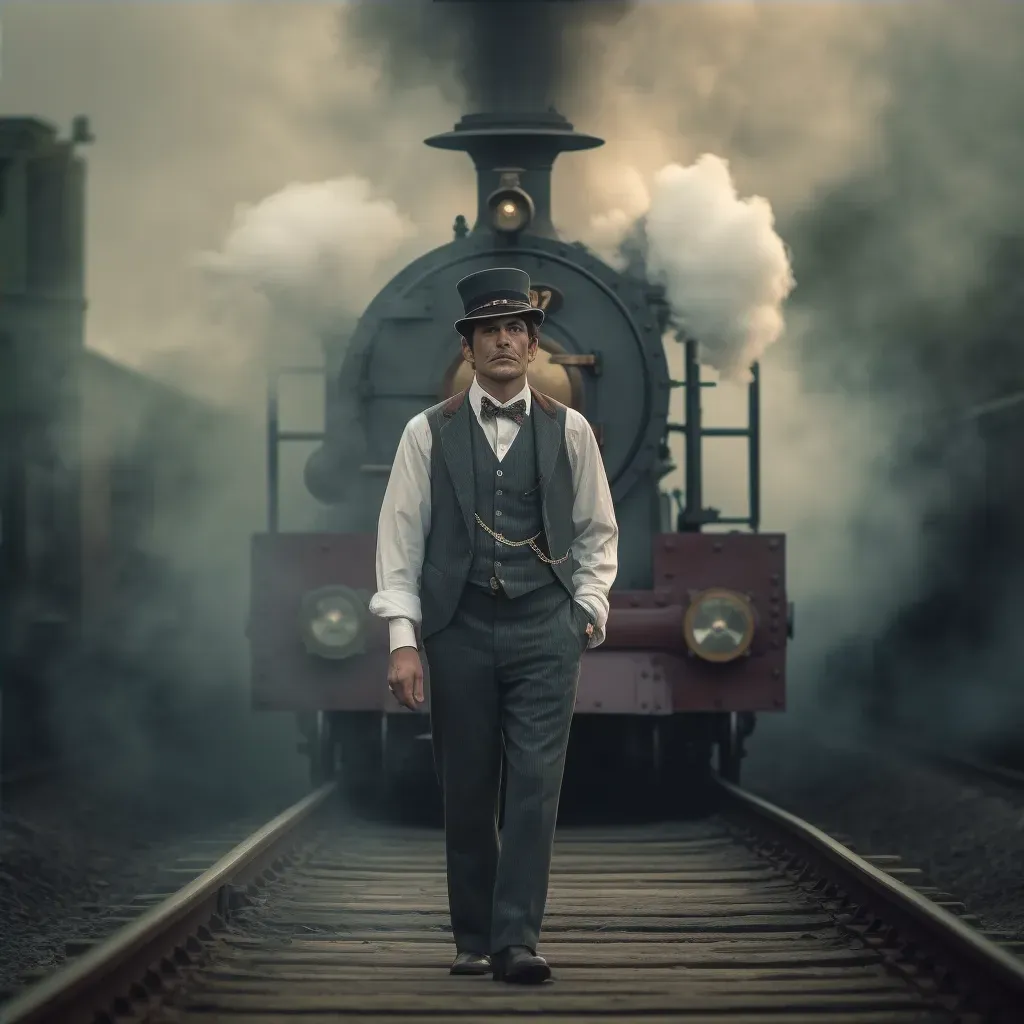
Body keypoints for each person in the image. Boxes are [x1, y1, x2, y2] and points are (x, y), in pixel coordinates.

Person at [369, 267, 618, 984]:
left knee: (537, 786)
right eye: (489, 331)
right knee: (468, 787)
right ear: (470, 347)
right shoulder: (426, 431)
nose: (504, 341)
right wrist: (405, 641)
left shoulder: (571, 428)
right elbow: (400, 539)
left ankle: (517, 940)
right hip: (457, 626)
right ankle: (472, 937)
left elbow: (598, 530)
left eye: (516, 329)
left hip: (547, 625)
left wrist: (586, 612)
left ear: (535, 344)